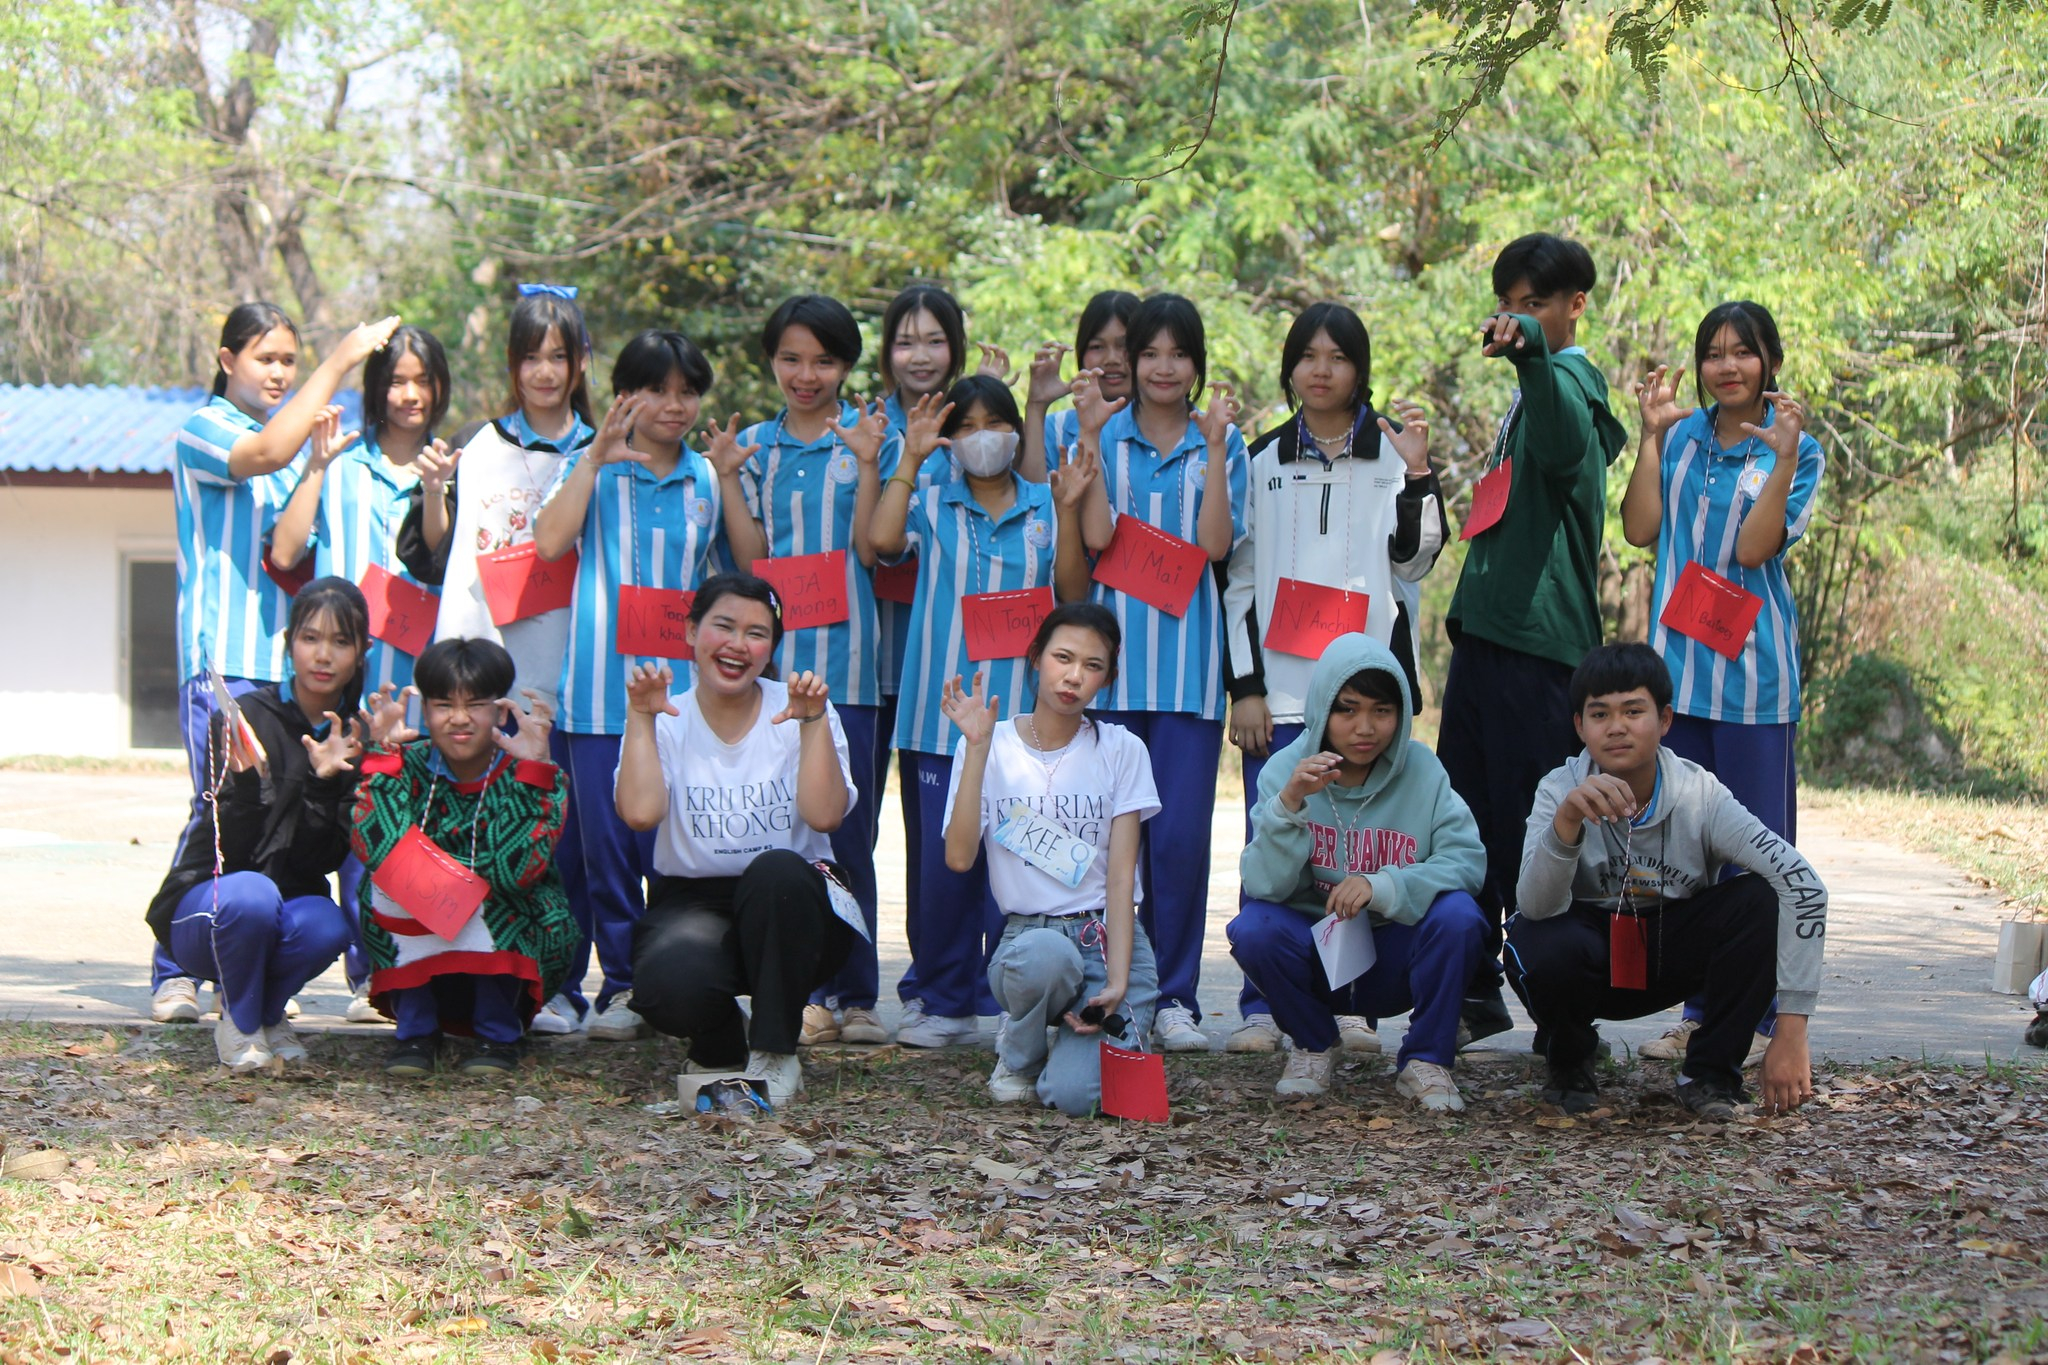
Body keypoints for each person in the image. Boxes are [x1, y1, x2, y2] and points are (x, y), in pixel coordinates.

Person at [152, 304, 400, 1026]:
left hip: (281, 666)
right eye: (266, 358)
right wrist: (342, 358)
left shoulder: (291, 448)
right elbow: (261, 452)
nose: (280, 372)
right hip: (222, 660)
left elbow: (287, 549)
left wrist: (317, 465)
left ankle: (248, 973)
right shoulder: (207, 428)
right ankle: (175, 969)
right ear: (226, 360)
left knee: (283, 818)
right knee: (219, 811)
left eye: (290, 360)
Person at [1222, 302, 1450, 1056]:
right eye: (1308, 356)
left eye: (1338, 356)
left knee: (1363, 854)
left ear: (1361, 368)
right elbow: (1238, 583)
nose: (1321, 370)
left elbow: (1417, 560)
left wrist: (1419, 475)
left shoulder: (1391, 453)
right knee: (1278, 842)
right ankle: (1263, 1005)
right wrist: (1245, 688)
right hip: (1284, 698)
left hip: (1368, 701)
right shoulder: (1260, 459)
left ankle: (1350, 1005)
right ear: (1289, 367)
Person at [859, 375, 1095, 1047]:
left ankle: (1013, 1004)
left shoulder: (1047, 502)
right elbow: (881, 541)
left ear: (1017, 432)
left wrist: (1069, 511)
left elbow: (1073, 589)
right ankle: (942, 1000)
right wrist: (910, 456)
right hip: (938, 720)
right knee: (941, 868)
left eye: (995, 423)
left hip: (1021, 726)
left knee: (1019, 863)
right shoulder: (931, 501)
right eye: (966, 426)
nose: (981, 437)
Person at [1434, 234, 1629, 1046]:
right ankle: (1474, 988)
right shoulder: (1531, 388)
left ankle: (1563, 1017)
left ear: (1575, 306)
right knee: (1464, 818)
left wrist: (1531, 357)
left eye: (1535, 304)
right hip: (1486, 635)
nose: (1516, 318)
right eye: (1509, 304)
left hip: (1539, 649)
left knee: (1534, 829)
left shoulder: (1572, 382)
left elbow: (1562, 443)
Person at [1621, 302, 1825, 1068]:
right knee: (1685, 853)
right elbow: (1640, 529)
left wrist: (1781, 458)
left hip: (1754, 683)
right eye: (1714, 352)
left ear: (1771, 360)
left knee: (1759, 856)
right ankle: (1699, 1014)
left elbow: (1753, 547)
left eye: (1744, 351)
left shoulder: (1798, 448)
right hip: (1676, 681)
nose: (1727, 366)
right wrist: (1649, 437)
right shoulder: (1679, 435)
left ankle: (1765, 1020)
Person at [1506, 642, 1827, 1120]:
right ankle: (1569, 1062)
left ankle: (1711, 1075)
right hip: (1589, 954)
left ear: (1666, 720)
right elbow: (1534, 907)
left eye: (1634, 711)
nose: (1617, 727)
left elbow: (1803, 885)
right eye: (1600, 714)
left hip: (1670, 951)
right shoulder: (1558, 790)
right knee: (1533, 939)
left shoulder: (1701, 795)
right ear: (1579, 726)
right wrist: (1567, 823)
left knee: (1760, 900)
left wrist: (1792, 1029)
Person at [525, 330, 732, 1040]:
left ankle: (672, 981)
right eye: (657, 390)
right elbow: (549, 542)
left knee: (672, 849)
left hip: (680, 702)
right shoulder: (592, 464)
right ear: (624, 397)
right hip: (597, 698)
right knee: (605, 852)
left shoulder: (706, 478)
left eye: (687, 391)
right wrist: (591, 460)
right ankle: (618, 984)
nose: (674, 405)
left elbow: (729, 575)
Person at [712, 296, 895, 1052]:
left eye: (823, 360)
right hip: (775, 676)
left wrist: (868, 461)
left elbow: (873, 548)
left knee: (849, 835)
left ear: (846, 366)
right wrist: (728, 477)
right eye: (791, 358)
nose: (806, 374)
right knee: (784, 834)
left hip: (851, 671)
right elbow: (752, 559)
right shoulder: (755, 446)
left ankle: (857, 994)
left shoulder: (870, 437)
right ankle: (804, 991)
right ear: (772, 362)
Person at [1066, 292, 1248, 1052]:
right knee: (1108, 845)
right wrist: (1089, 435)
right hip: (1112, 676)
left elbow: (1214, 547)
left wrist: (1215, 448)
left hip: (1187, 678)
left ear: (1197, 365)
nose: (1163, 367)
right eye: (1149, 353)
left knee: (1176, 845)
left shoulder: (1223, 442)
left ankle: (1174, 997)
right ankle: (1109, 990)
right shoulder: (1105, 435)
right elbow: (1098, 536)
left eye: (1179, 354)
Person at [269, 324, 458, 1025]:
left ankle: (395, 969)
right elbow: (287, 550)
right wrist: (317, 467)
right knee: (340, 822)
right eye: (396, 380)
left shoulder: (451, 465)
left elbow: (440, 558)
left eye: (422, 380)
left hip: (413, 686)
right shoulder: (342, 461)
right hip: (339, 684)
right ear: (376, 386)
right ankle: (352, 973)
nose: (409, 394)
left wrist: (436, 490)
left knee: (406, 829)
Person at [614, 574, 859, 1108]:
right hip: (695, 900)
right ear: (691, 631)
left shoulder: (800, 709)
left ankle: (775, 1050)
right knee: (666, 989)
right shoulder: (667, 716)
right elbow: (639, 813)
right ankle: (721, 1039)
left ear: (771, 649)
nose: (737, 645)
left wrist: (813, 723)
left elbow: (825, 816)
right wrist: (640, 718)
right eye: (723, 626)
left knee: (777, 870)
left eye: (756, 633)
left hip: (796, 901)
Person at [1228, 635, 1488, 1109]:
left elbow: (1467, 861)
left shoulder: (1423, 771)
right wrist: (1289, 806)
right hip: (1318, 955)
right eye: (1347, 710)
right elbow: (1263, 885)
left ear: (1401, 714)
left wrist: (1383, 885)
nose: (1365, 728)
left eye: (1382, 711)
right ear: (1321, 708)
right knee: (1254, 928)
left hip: (1395, 954)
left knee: (1459, 915)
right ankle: (1313, 1044)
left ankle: (1426, 1059)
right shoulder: (1285, 771)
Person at [940, 604, 1162, 1113]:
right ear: (1036, 658)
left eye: (1092, 666)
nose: (1074, 676)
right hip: (1030, 942)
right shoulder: (989, 742)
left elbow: (1121, 880)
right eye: (1063, 657)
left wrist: (1118, 980)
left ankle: (1070, 1048)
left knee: (1075, 1097)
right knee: (1046, 956)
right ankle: (1020, 1053)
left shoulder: (1122, 749)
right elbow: (959, 857)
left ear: (1107, 678)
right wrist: (976, 750)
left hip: (1105, 938)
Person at [144, 578, 371, 1070]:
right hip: (210, 906)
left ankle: (267, 1013)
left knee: (328, 924)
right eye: (310, 638)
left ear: (361, 652)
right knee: (252, 894)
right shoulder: (245, 717)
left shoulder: (353, 737)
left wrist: (324, 783)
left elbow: (322, 860)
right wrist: (247, 785)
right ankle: (242, 1024)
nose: (323, 655)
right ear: (290, 643)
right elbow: (226, 846)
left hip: (282, 909)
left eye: (340, 641)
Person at [350, 637, 578, 1077]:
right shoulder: (405, 764)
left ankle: (499, 1031)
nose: (459, 718)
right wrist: (382, 760)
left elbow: (516, 872)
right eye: (443, 705)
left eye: (475, 704)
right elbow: (375, 846)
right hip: (419, 942)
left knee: (507, 893)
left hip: (503, 950)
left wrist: (534, 772)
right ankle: (416, 1030)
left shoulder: (526, 769)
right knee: (385, 883)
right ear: (424, 711)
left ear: (501, 710)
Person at [844, 284, 973, 1047]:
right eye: (904, 340)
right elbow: (872, 543)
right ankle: (848, 987)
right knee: (854, 828)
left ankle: (936, 983)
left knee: (938, 833)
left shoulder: (977, 421)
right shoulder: (865, 425)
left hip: (941, 661)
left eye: (933, 339)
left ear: (955, 346)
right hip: (867, 656)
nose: (919, 355)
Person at [1020, 289, 1140, 482]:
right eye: (1097, 347)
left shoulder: (1169, 428)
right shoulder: (1056, 430)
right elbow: (1031, 495)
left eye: (1124, 345)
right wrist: (1036, 405)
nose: (1112, 359)